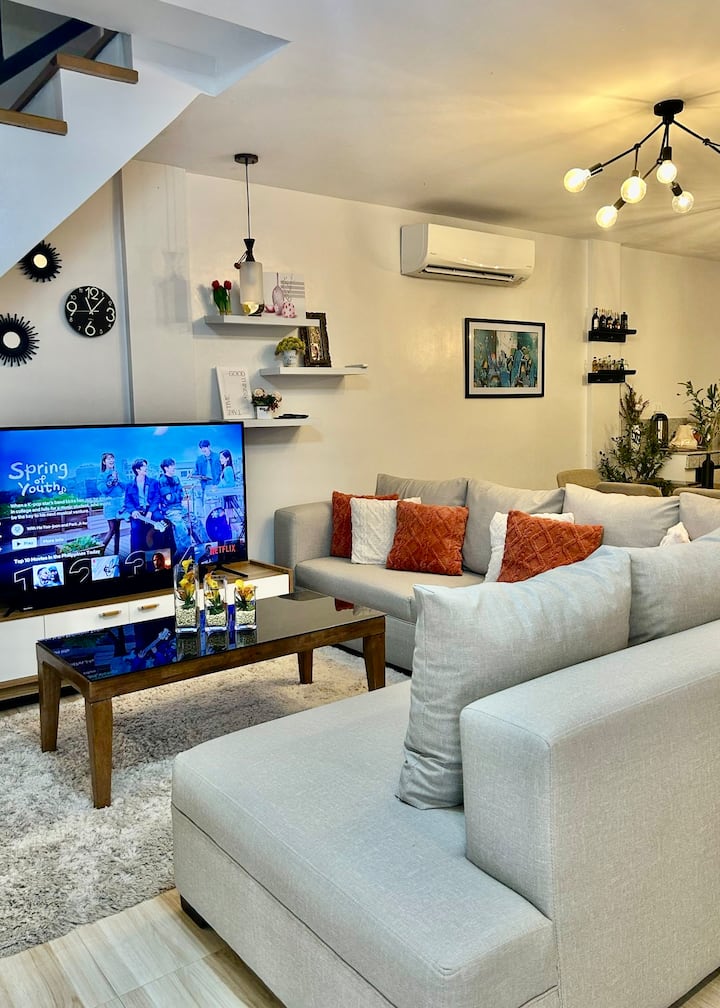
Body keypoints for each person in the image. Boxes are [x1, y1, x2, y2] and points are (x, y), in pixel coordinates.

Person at [122, 458, 166, 554]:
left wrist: (150, 512)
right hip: (138, 510)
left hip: (151, 509)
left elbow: (157, 498)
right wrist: (133, 511)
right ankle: (136, 555)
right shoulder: (129, 485)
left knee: (159, 519)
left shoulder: (154, 482)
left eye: (146, 466)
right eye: (144, 466)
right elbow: (127, 501)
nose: (146, 468)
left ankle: (160, 553)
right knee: (135, 528)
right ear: (137, 470)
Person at [157, 457, 192, 560]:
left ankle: (206, 549)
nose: (174, 467)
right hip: (169, 509)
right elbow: (169, 499)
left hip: (180, 507)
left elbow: (181, 494)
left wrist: (175, 496)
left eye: (173, 465)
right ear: (166, 468)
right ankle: (186, 555)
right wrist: (177, 496)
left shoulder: (176, 478)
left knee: (195, 522)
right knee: (181, 528)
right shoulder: (162, 480)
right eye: (171, 466)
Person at [98, 452, 125, 555]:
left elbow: (126, 486)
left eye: (112, 458)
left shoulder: (118, 473)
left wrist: (118, 480)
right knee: (112, 529)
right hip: (109, 505)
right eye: (109, 458)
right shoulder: (101, 475)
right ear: (104, 462)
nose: (111, 460)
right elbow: (103, 489)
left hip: (119, 505)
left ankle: (116, 553)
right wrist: (112, 481)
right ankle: (101, 550)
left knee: (117, 530)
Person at [193, 439, 221, 503]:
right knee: (206, 504)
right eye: (201, 448)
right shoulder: (199, 459)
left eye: (204, 447)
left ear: (209, 446)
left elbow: (222, 470)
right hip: (205, 486)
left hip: (217, 485)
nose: (203, 449)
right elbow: (196, 472)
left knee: (218, 504)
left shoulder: (217, 457)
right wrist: (192, 475)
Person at [219, 449, 240, 529]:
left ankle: (238, 531)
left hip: (229, 496)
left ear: (227, 458)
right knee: (228, 517)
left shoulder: (228, 469)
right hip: (226, 495)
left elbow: (230, 484)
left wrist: (220, 486)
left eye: (222, 458)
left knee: (230, 517)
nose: (220, 459)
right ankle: (236, 532)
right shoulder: (226, 468)